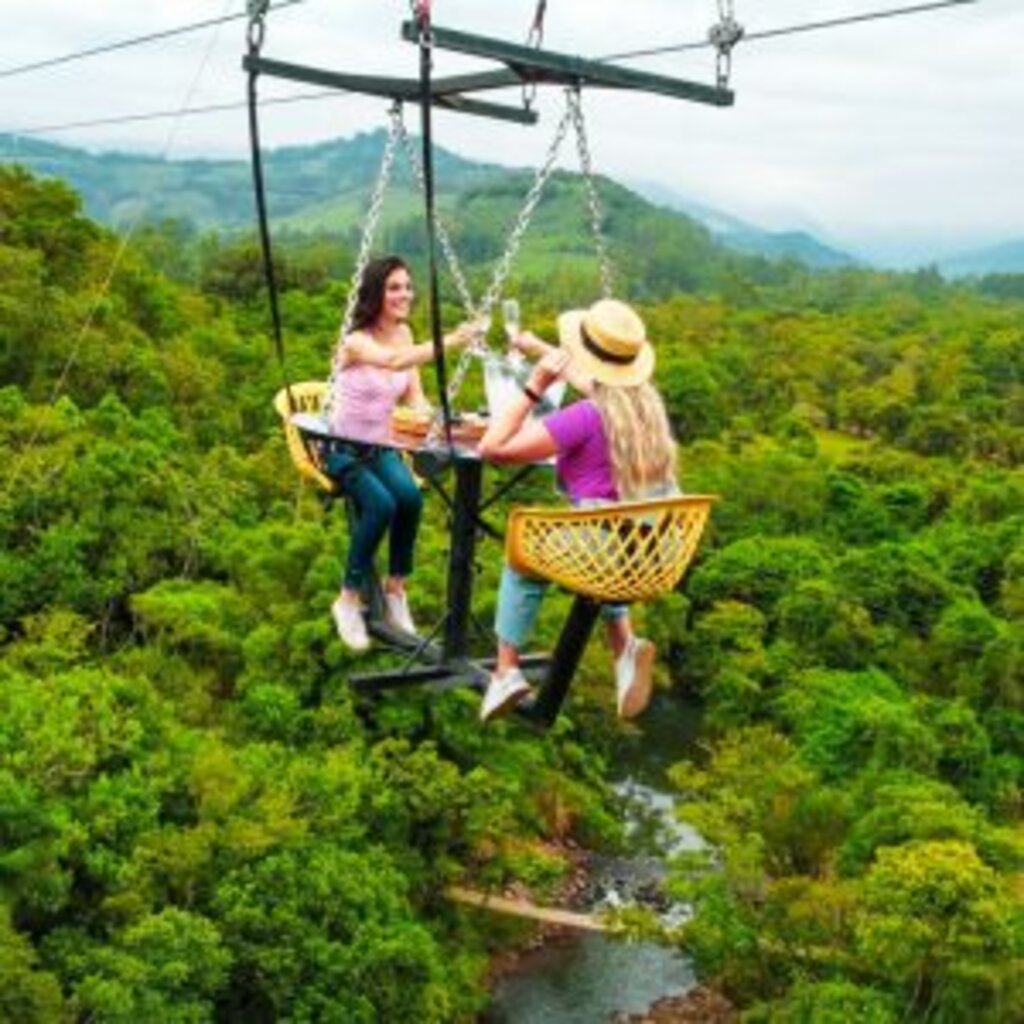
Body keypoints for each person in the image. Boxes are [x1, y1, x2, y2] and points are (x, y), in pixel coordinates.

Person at [477, 298, 678, 722]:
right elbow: (593, 382)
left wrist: (534, 384)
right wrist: (536, 346)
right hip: (650, 552)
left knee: (523, 555)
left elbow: (492, 448)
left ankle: (507, 669)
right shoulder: (648, 410)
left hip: (602, 552)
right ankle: (624, 648)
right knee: (605, 537)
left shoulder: (585, 416)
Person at [326, 255, 473, 651]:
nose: (404, 294)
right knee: (381, 505)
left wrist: (440, 420)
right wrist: (452, 340)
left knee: (409, 498)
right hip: (344, 448)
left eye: (407, 286)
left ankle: (395, 591)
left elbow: (413, 394)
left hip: (382, 445)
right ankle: (348, 599)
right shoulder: (355, 341)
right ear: (375, 293)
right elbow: (391, 362)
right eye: (394, 287)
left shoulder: (406, 335)